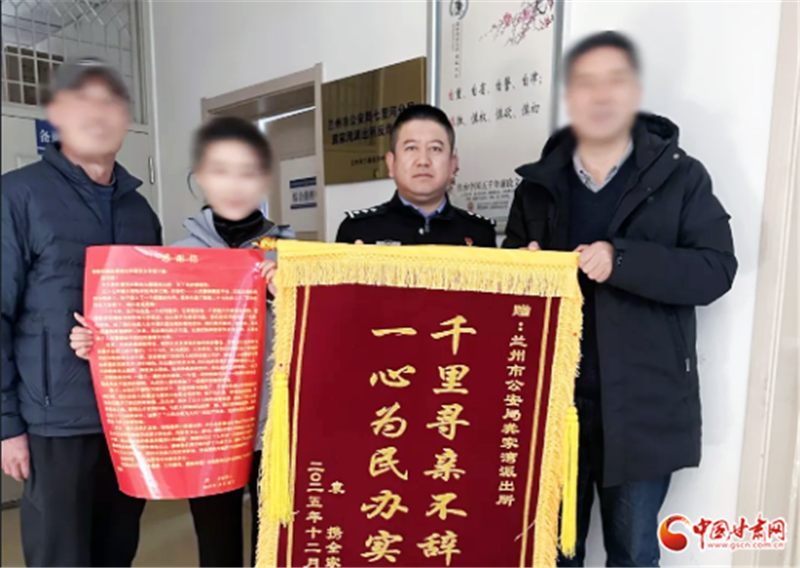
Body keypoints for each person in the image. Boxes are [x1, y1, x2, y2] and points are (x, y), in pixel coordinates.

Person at [503, 32, 736, 567]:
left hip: (643, 407)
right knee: (551, 552)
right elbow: (511, 286)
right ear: (570, 96)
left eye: (615, 80)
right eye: (587, 82)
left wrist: (622, 260)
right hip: (553, 407)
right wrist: (523, 267)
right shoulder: (538, 185)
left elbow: (716, 270)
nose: (601, 95)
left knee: (632, 553)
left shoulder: (680, 176)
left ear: (635, 92)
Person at [69, 116, 293, 567]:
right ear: (201, 178)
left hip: (279, 425)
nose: (234, 184)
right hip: (204, 427)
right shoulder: (174, 257)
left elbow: (325, 335)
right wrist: (99, 343)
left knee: (274, 544)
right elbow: (147, 340)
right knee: (216, 546)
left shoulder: (294, 254)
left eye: (247, 171)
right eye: (221, 170)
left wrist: (287, 293)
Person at [1, 58, 162, 566]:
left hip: (127, 418)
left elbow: (155, 314)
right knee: (60, 556)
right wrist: (7, 427)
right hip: (55, 421)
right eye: (82, 100)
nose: (98, 113)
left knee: (117, 549)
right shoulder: (18, 195)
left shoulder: (141, 212)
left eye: (110, 102)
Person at [336, 104, 496, 246]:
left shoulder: (479, 233)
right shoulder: (359, 230)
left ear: (453, 165)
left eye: (435, 149)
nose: (423, 161)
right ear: (391, 164)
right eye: (411, 148)